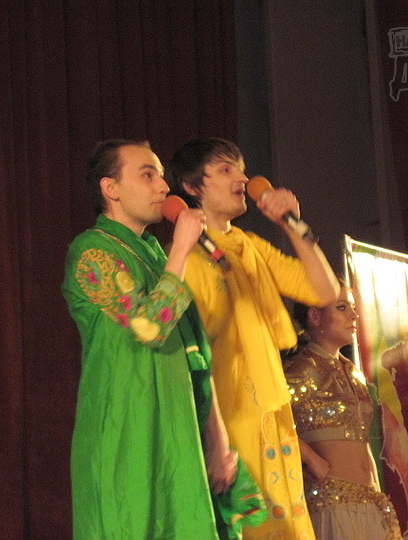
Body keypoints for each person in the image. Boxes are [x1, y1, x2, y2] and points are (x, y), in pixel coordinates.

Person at [62, 140, 266, 540]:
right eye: (147, 175)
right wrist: (183, 249)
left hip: (178, 426)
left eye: (160, 175)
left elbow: (196, 354)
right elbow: (150, 327)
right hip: (128, 431)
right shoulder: (91, 251)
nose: (163, 186)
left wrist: (217, 438)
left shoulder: (155, 255)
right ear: (111, 188)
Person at [168, 137, 340, 539]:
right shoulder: (184, 258)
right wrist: (214, 439)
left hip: (271, 411)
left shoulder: (250, 245)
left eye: (241, 170)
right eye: (225, 170)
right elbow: (191, 356)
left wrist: (292, 225)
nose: (242, 179)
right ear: (192, 187)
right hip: (228, 416)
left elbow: (325, 291)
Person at [284, 283, 402, 539]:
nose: (354, 315)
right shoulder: (301, 369)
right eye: (342, 307)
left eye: (353, 307)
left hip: (371, 501)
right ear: (315, 316)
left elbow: (361, 439)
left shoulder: (353, 372)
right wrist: (310, 458)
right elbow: (272, 420)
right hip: (331, 501)